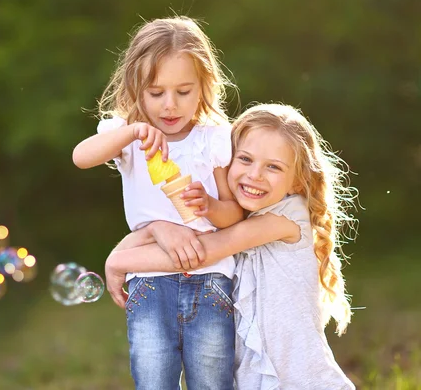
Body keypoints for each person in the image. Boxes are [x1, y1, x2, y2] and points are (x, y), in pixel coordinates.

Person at [105, 103, 357, 389]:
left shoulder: (287, 216)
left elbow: (201, 253)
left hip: (300, 380)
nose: (255, 175)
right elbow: (190, 240)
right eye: (245, 159)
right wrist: (157, 228)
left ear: (298, 181)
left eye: (273, 167)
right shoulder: (238, 219)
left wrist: (119, 263)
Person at [72, 16, 243, 389]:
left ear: (204, 86)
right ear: (136, 88)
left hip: (210, 279)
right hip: (149, 282)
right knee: (153, 381)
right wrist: (130, 130)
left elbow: (234, 213)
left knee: (213, 382)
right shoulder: (130, 138)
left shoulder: (212, 139)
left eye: (183, 92)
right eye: (156, 92)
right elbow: (81, 157)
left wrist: (210, 207)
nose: (170, 105)